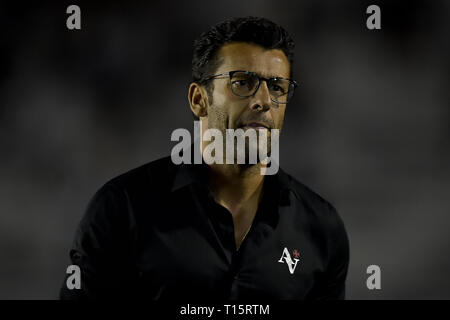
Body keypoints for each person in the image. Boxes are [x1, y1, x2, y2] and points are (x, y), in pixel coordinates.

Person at [60, 16, 349, 300]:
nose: (263, 101)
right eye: (243, 83)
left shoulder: (320, 226)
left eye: (276, 87)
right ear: (199, 100)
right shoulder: (121, 210)